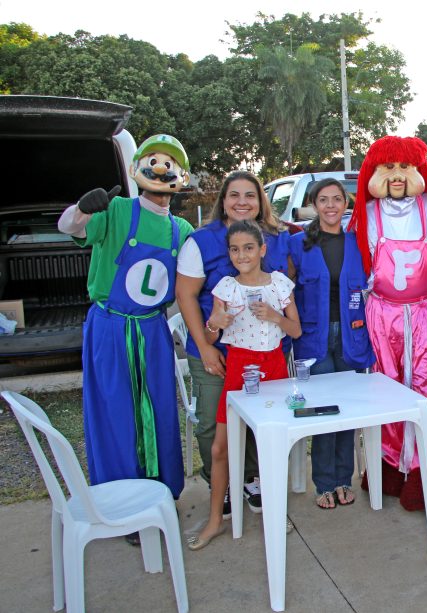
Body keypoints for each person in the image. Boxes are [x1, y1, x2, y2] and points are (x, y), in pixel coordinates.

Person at [57, 134, 193, 505]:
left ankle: (161, 491)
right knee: (115, 410)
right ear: (138, 169)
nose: (160, 168)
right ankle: (120, 499)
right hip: (111, 327)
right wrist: (83, 208)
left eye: (169, 163)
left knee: (160, 407)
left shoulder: (181, 231)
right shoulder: (116, 211)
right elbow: (70, 227)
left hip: (152, 329)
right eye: (153, 160)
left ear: (181, 175)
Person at [348, 135, 427, 514]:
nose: (397, 176)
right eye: (389, 167)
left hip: (424, 312)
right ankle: (389, 464)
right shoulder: (367, 214)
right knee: (386, 389)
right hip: (382, 313)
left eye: (404, 167)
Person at [176, 171, 290, 515]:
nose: (242, 202)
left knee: (262, 417)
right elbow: (186, 295)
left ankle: (251, 477)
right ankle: (220, 484)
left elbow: (285, 286)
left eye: (250, 195)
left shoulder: (274, 238)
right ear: (222, 200)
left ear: (261, 201)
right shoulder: (200, 241)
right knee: (215, 421)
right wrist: (206, 345)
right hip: (217, 349)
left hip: (261, 352)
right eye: (234, 195)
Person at [187, 220, 302, 550]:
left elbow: (295, 331)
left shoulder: (279, 284)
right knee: (220, 447)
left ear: (262, 250)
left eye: (249, 248)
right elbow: (211, 334)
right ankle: (214, 520)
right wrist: (214, 324)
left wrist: (275, 317)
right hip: (239, 369)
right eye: (235, 249)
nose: (242, 255)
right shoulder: (226, 287)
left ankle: (274, 510)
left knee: (273, 444)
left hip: (274, 368)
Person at [291, 178, 375, 509]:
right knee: (324, 412)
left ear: (345, 204)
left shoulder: (358, 243)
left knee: (349, 411)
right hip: (314, 338)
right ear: (313, 204)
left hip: (353, 335)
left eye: (336, 199)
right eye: (323, 200)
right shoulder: (297, 244)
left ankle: (344, 478)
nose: (330, 206)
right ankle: (324, 483)